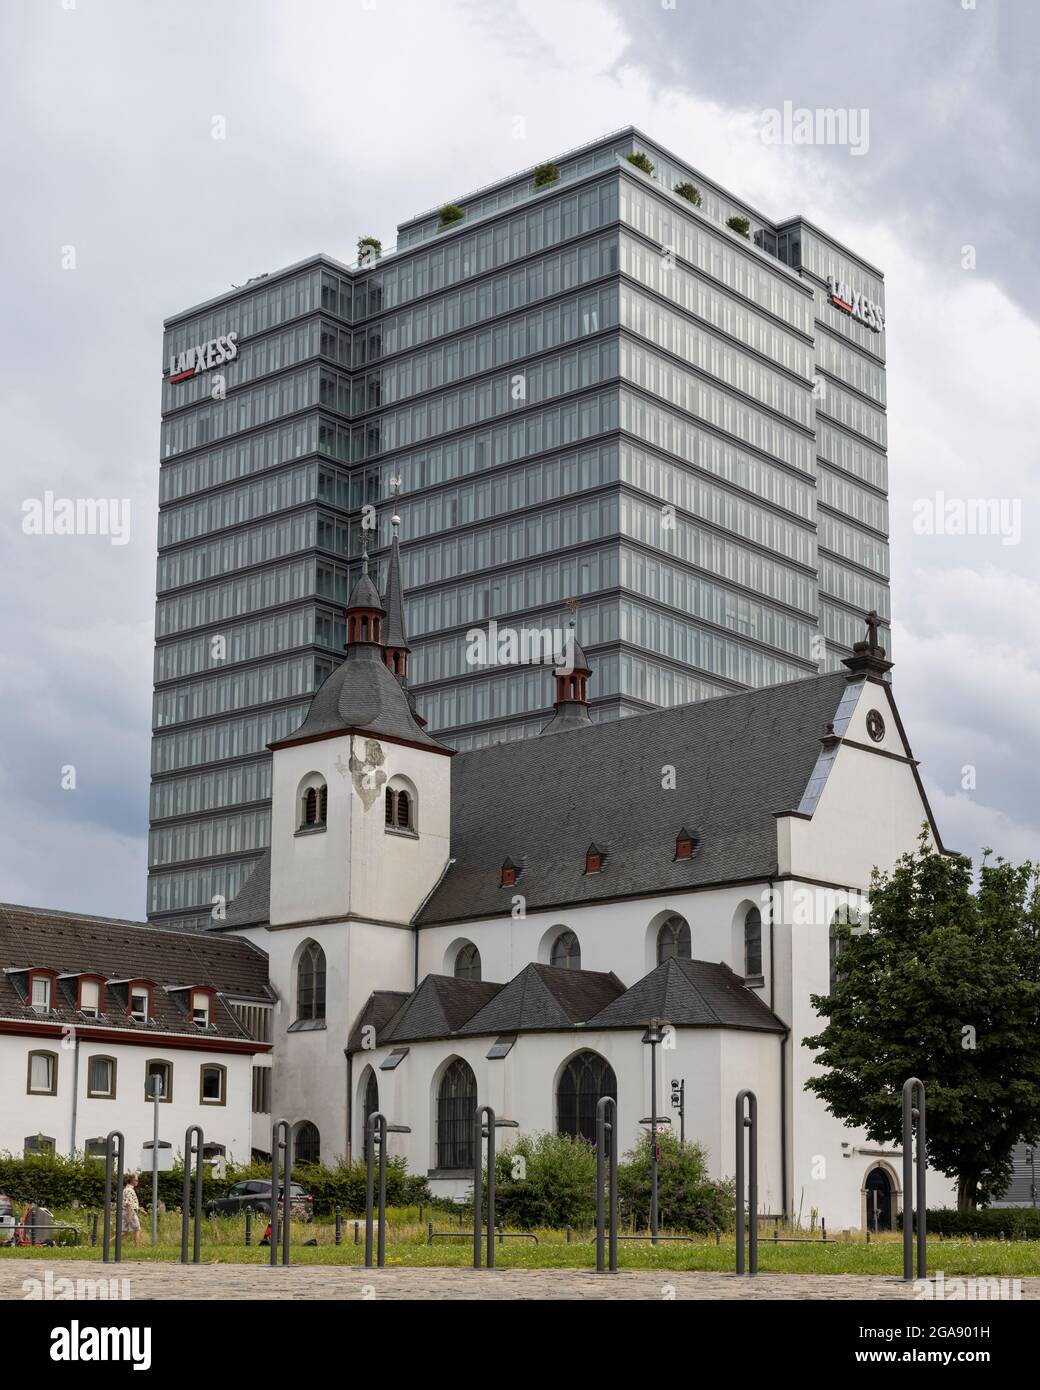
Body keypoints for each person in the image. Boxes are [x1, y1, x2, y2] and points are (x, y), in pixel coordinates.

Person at [122, 1172, 142, 1248]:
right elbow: (129, 1203)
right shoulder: (129, 1190)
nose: (137, 1182)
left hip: (127, 1211)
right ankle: (137, 1248)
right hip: (130, 1212)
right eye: (136, 1180)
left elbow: (131, 1202)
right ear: (132, 1180)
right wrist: (130, 1216)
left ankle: (108, 1244)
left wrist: (140, 1210)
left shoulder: (127, 1189)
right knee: (137, 1229)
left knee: (124, 1232)